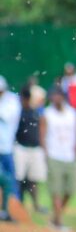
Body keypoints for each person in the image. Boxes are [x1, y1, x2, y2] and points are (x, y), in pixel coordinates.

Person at [42, 87, 76, 232]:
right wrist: (46, 153)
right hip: (54, 155)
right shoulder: (47, 113)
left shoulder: (72, 113)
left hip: (69, 156)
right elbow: (42, 134)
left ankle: (56, 217)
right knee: (56, 191)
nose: (55, 99)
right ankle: (58, 222)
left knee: (70, 190)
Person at [14, 84, 47, 214]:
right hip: (21, 147)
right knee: (19, 178)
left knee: (33, 179)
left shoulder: (36, 112)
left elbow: (42, 128)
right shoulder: (19, 111)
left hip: (35, 148)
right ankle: (18, 203)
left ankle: (35, 205)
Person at [0, 75, 23, 216]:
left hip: (7, 147)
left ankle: (12, 208)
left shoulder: (11, 100)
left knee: (10, 179)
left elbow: (6, 116)